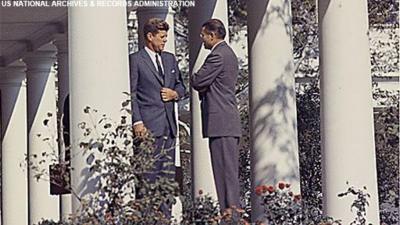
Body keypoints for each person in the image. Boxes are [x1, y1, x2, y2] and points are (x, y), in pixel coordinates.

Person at [191, 19, 242, 216]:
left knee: (225, 176)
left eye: (203, 35)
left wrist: (202, 84)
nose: (202, 39)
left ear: (212, 36)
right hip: (225, 122)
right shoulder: (227, 53)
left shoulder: (218, 56)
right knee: (226, 174)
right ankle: (230, 215)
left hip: (221, 123)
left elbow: (198, 80)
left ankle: (231, 217)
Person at [129, 18, 185, 183]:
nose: (165, 40)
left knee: (167, 180)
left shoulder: (170, 59)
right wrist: (137, 121)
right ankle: (148, 210)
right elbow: (131, 93)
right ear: (150, 36)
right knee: (148, 177)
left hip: (170, 128)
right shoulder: (136, 60)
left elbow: (181, 86)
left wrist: (175, 94)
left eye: (166, 36)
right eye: (162, 36)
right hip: (148, 128)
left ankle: (166, 210)